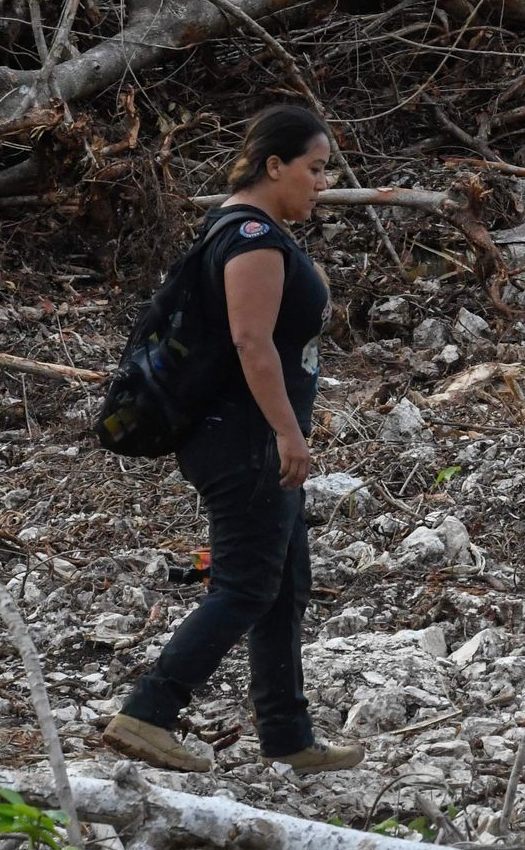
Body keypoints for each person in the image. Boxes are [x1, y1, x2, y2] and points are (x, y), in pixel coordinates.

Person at [103, 105, 363, 774]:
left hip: (250, 437)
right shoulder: (251, 238)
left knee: (283, 584)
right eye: (314, 169)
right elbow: (251, 343)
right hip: (246, 439)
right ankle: (148, 712)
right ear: (275, 166)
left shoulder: (248, 230)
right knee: (246, 584)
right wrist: (288, 433)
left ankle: (288, 736)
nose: (321, 183)